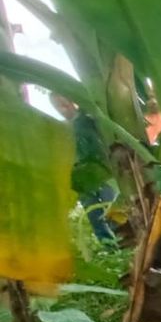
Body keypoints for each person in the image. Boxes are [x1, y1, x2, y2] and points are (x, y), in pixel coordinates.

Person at [50, 94, 117, 243]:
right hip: (81, 177)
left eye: (62, 102)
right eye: (56, 105)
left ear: (71, 101)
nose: (61, 108)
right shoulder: (62, 128)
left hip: (103, 171)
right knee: (94, 215)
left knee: (112, 209)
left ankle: (124, 241)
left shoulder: (89, 118)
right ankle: (109, 246)